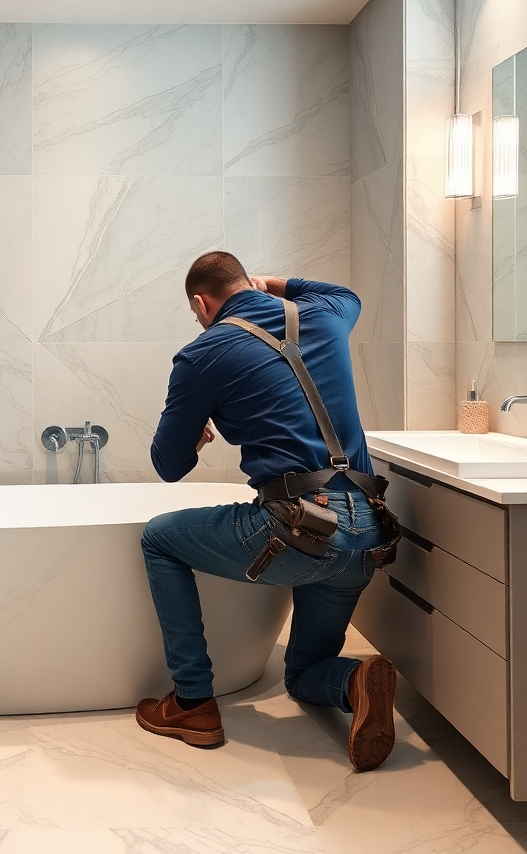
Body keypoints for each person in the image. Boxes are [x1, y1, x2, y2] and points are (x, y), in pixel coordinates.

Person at [135, 250, 398, 772]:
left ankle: (192, 704)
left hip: (296, 530)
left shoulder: (202, 354)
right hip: (371, 533)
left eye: (197, 313)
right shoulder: (325, 313)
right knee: (303, 675)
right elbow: (348, 295)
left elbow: (166, 464)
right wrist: (274, 283)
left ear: (200, 302)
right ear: (249, 284)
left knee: (159, 538)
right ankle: (353, 682)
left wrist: (196, 439)